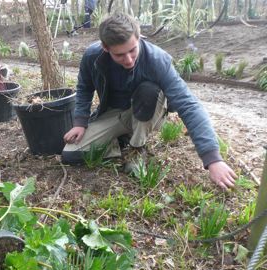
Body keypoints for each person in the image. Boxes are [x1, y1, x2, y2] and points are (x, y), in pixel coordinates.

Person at [61, 13, 237, 190]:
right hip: (114, 112)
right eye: (120, 55)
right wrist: (80, 122)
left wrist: (212, 158)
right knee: (71, 154)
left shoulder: (157, 60)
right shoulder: (93, 56)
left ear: (139, 38)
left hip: (148, 110)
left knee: (148, 91)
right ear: (106, 48)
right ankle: (121, 141)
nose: (129, 59)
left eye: (132, 50)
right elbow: (84, 87)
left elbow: (188, 103)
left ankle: (136, 148)